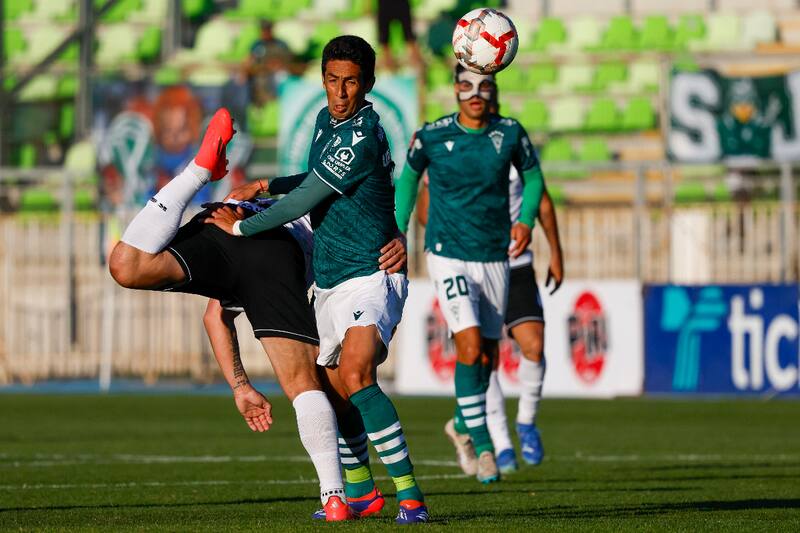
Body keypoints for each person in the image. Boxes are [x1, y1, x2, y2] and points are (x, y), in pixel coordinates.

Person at [204, 35, 428, 524]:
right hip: (329, 279)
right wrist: (265, 183)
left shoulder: (363, 131)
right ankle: (363, 493)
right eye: (332, 80)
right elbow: (314, 179)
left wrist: (241, 224)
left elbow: (303, 201)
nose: (340, 92)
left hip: (371, 271)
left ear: (368, 84)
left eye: (351, 82)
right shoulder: (328, 122)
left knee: (356, 375)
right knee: (332, 391)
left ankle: (411, 496)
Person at [108, 109, 353, 520]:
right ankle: (334, 497)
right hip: (272, 243)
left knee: (127, 265)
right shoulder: (333, 205)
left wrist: (240, 386)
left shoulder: (304, 187)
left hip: (221, 218)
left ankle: (197, 173)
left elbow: (214, 317)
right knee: (302, 384)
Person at [394, 64, 545, 484]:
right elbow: (407, 181)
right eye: (466, 85)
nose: (474, 93)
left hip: (495, 256)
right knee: (470, 341)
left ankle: (460, 423)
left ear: (493, 90)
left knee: (489, 359)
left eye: (483, 86)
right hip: (447, 253)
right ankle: (483, 446)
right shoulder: (433, 135)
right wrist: (398, 233)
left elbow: (533, 180)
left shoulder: (511, 133)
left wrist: (526, 220)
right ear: (456, 91)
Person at [242, 20, 293, 105]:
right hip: (260, 76)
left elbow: (290, 61)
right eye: (263, 30)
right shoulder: (257, 45)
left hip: (278, 75)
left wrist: (278, 64)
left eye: (267, 30)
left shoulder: (281, 44)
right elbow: (248, 61)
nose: (265, 32)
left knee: (282, 77)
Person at [375, 0, 423, 71]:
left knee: (410, 38)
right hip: (386, 4)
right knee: (385, 42)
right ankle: (388, 71)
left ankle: (418, 69)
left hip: (399, 4)